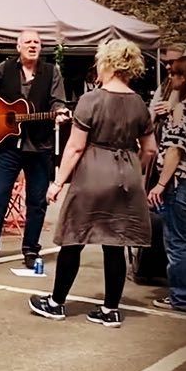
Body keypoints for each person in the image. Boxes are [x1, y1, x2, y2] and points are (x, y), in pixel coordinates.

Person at [29, 40, 157, 327]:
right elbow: (150, 149)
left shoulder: (91, 100)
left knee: (74, 238)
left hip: (93, 173)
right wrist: (135, 168)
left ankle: (56, 302)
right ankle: (110, 309)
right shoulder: (139, 103)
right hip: (127, 176)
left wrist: (57, 183)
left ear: (108, 64)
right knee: (115, 242)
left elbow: (74, 147)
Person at [0, 30, 70, 268]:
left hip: (39, 146)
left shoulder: (51, 72)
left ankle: (31, 249)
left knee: (37, 201)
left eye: (36, 42)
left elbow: (58, 102)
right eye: (28, 42)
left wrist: (59, 114)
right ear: (18, 47)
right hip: (7, 145)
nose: (32, 45)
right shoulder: (5, 69)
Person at [148, 57, 186, 313]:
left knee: (178, 241)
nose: (171, 80)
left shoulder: (182, 109)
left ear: (183, 78)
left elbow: (175, 149)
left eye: (174, 75)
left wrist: (161, 184)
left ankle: (183, 296)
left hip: (182, 181)